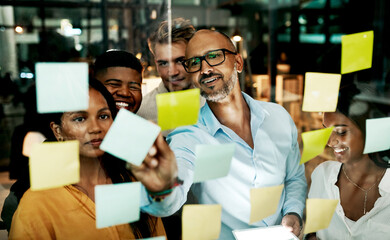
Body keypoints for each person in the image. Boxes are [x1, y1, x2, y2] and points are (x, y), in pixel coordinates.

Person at [135, 29, 307, 240]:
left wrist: (293, 212)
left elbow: (294, 177)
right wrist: (161, 188)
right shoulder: (190, 136)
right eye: (195, 63)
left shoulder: (278, 117)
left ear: (238, 63)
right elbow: (174, 193)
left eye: (214, 56)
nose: (205, 69)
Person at [9, 79, 171, 239]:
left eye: (103, 116)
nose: (95, 128)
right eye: (79, 119)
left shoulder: (133, 183)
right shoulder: (37, 204)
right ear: (58, 131)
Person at [307, 83, 390, 240]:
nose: (330, 142)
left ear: (368, 129)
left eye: (341, 132)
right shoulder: (322, 175)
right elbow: (314, 232)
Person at [137, 18, 201, 126]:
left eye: (180, 61)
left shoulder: (215, 103)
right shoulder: (142, 112)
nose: (172, 72)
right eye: (163, 63)